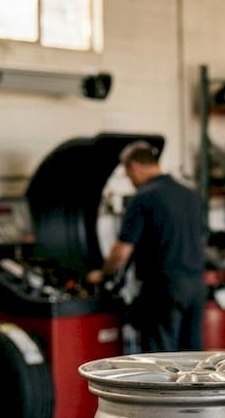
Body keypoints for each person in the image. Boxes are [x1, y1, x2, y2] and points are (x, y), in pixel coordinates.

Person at [88, 140, 206, 352]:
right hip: (196, 286)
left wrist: (103, 274)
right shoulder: (189, 195)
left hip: (163, 289)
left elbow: (122, 251)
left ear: (135, 166)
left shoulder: (143, 197)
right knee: (193, 358)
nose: (129, 179)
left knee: (160, 361)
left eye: (127, 173)